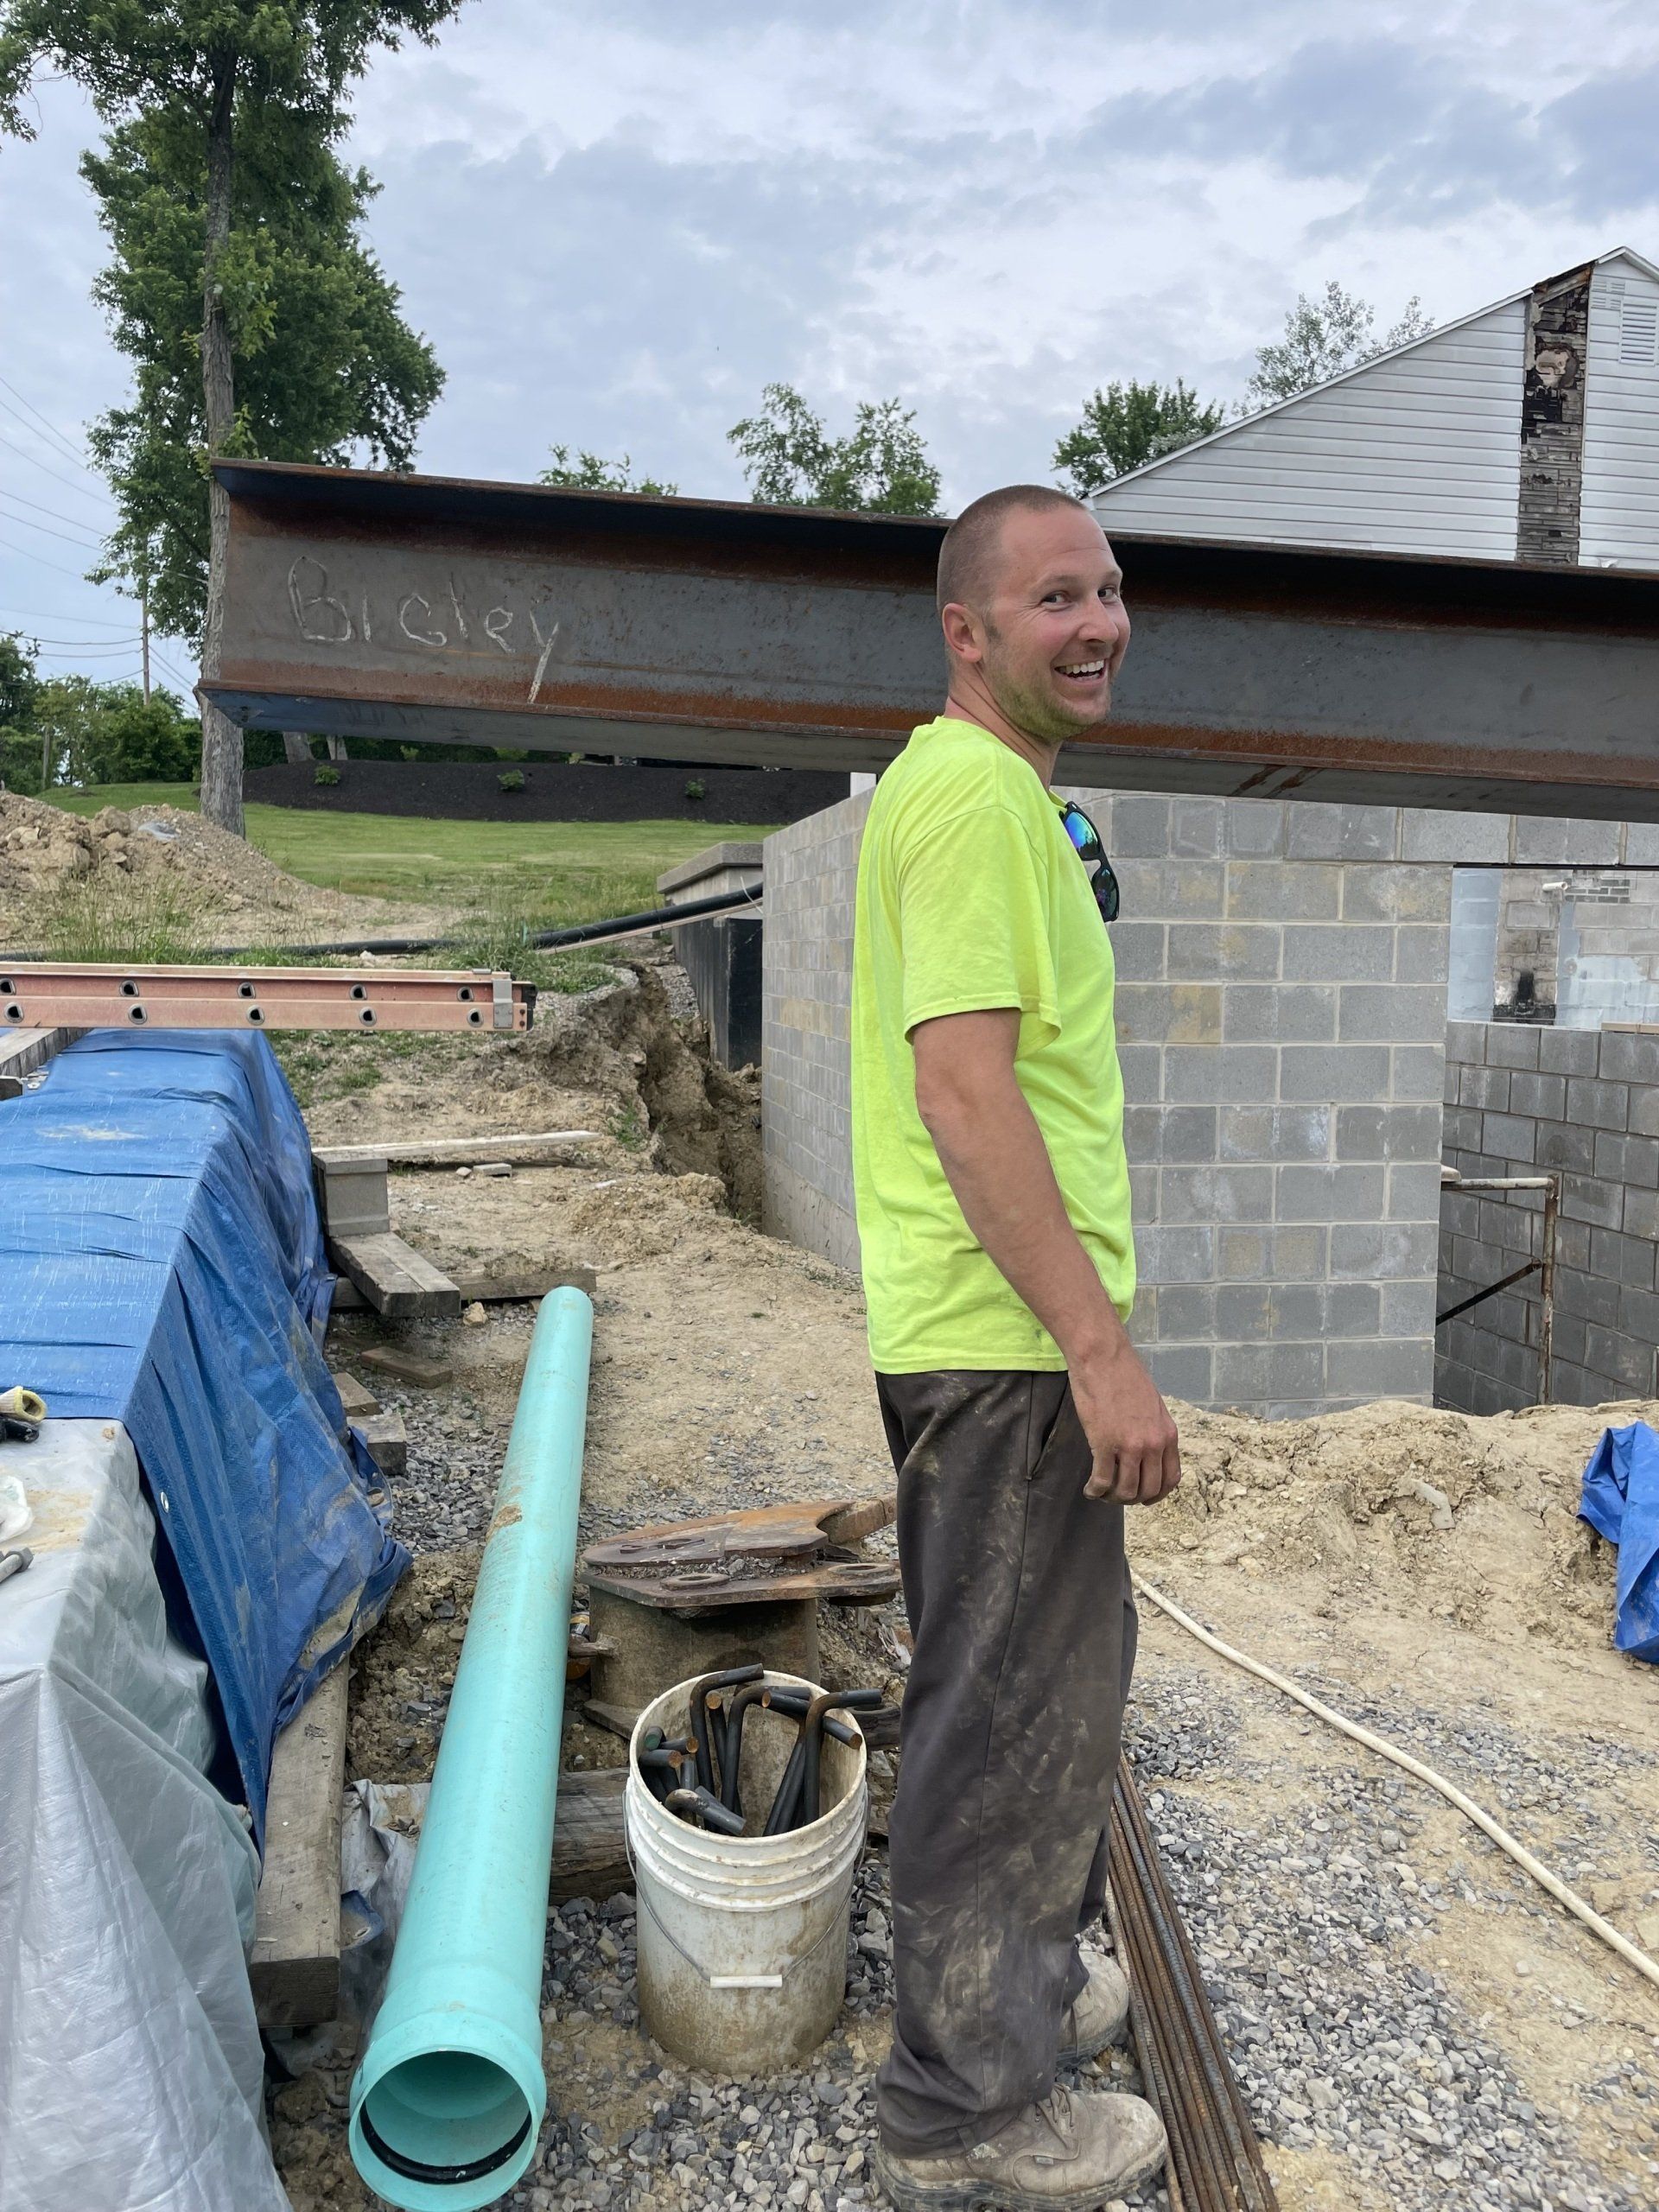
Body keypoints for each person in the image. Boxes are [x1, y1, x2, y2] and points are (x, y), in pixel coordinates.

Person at [851, 484, 1180, 2210]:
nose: (1101, 621)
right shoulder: (975, 798)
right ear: (967, 631)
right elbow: (967, 1093)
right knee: (1006, 1714)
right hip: (1006, 1351)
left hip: (998, 1342)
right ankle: (966, 2107)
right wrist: (1097, 1345)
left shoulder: (1004, 798)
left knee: (1059, 1682)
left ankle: (1023, 1985)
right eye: (1058, 594)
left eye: (1113, 588)